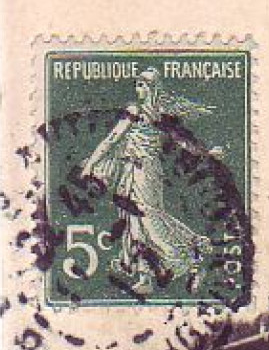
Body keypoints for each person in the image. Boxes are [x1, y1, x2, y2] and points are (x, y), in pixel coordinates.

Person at [77, 68, 217, 295]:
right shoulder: (143, 111)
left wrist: (207, 154)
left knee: (149, 222)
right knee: (136, 223)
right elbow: (113, 139)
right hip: (131, 171)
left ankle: (188, 261)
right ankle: (147, 277)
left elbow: (181, 140)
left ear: (153, 88)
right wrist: (91, 164)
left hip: (145, 173)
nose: (139, 89)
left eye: (143, 85)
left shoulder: (151, 113)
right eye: (137, 85)